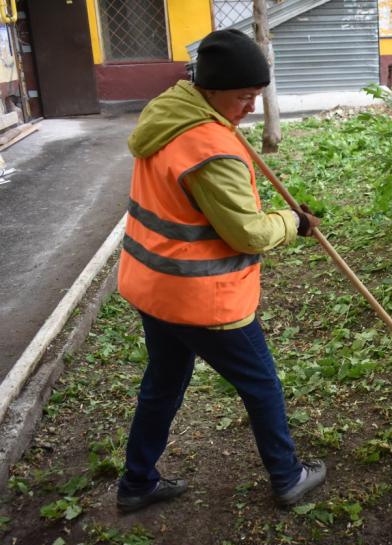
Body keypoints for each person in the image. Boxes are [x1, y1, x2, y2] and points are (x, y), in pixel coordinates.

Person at [115, 29, 325, 513]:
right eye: (244, 98)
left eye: (256, 96)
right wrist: (292, 222)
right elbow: (247, 235)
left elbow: (199, 208)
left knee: (163, 382)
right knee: (262, 384)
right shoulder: (212, 147)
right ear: (211, 90)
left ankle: (137, 483)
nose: (251, 107)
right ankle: (288, 476)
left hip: (154, 287)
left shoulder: (169, 112)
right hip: (201, 298)